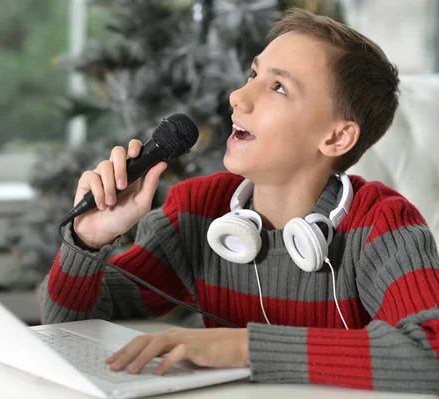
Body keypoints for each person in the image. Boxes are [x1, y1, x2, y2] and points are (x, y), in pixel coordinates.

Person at [39, 7, 439, 394]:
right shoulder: (199, 209)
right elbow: (71, 330)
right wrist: (87, 241)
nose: (237, 96)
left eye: (278, 87)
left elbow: (433, 352)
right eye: (252, 73)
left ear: (336, 138)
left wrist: (244, 347)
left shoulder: (383, 224)